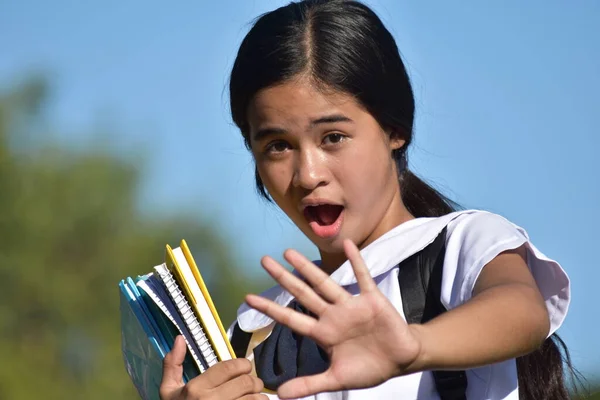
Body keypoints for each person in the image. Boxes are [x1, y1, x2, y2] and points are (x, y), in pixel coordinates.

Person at [159, 1, 574, 399]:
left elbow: (523, 310)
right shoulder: (254, 329)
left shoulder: (458, 245)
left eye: (333, 137)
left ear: (395, 129)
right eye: (278, 146)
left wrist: (414, 345)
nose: (308, 174)